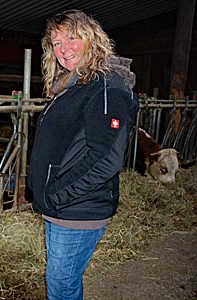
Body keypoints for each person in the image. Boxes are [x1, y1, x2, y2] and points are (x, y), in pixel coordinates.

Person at [27, 9, 139, 300]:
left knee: (61, 286)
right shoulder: (74, 85)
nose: (64, 49)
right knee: (61, 281)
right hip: (61, 208)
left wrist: (56, 195)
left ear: (92, 39)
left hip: (77, 210)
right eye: (57, 43)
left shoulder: (106, 87)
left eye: (72, 39)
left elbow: (105, 158)